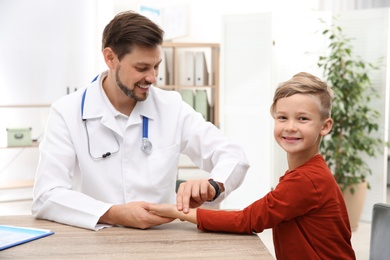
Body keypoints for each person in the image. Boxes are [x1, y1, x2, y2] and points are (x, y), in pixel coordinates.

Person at [32, 11, 250, 231]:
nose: (153, 78)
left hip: (161, 239)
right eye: (141, 68)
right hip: (96, 238)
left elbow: (233, 155)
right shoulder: (67, 112)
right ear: (110, 58)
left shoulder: (171, 107)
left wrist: (213, 186)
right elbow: (46, 195)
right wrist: (113, 213)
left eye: (156, 66)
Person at [147, 72, 356, 259]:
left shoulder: (306, 180)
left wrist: (174, 211)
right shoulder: (307, 172)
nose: (290, 127)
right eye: (282, 118)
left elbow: (246, 220)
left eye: (302, 119)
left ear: (325, 126)